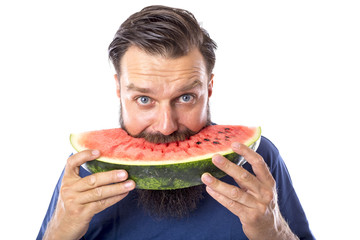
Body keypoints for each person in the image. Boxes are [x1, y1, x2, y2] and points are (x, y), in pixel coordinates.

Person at [37, 5, 315, 240]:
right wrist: (61, 230)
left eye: (185, 97)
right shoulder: (86, 168)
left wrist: (274, 231)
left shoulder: (255, 159)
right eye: (144, 100)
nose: (166, 125)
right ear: (120, 90)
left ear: (209, 88)